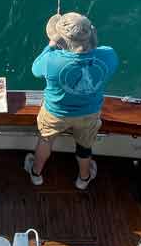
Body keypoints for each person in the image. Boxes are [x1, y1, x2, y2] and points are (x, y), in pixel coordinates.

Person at [25, 12, 118, 189]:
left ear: (61, 40)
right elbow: (96, 52)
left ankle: (36, 173)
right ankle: (83, 179)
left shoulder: (51, 60)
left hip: (55, 113)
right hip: (89, 113)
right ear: (91, 33)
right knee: (84, 146)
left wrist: (51, 46)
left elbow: (35, 70)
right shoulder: (109, 56)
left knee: (45, 140)